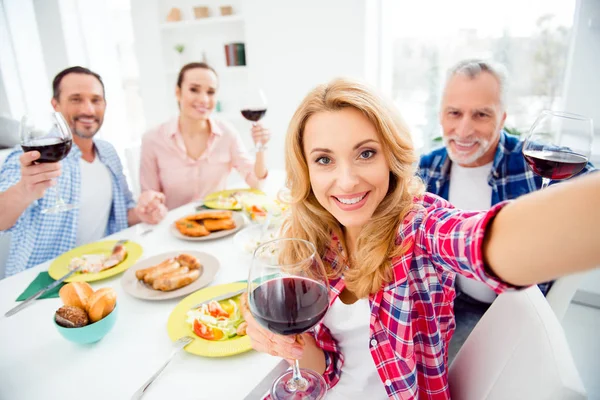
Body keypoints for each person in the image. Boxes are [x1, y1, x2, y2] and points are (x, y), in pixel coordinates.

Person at [239, 78, 600, 399]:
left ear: (390, 157)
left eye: (366, 153)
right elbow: (327, 368)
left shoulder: (419, 225)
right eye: (324, 160)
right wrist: (287, 344)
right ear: (304, 167)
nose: (346, 181)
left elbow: (480, 240)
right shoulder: (314, 237)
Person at [418, 59, 595, 357]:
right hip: (452, 305)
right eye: (455, 113)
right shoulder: (429, 167)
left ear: (502, 118)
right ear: (440, 116)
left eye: (481, 115)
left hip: (512, 311)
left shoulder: (530, 160)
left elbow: (592, 182)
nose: (463, 130)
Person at [0, 66, 167, 277]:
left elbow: (122, 214)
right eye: (76, 99)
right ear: (56, 105)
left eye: (96, 100)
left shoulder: (107, 151)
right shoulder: (30, 158)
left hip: (100, 270)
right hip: (41, 284)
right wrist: (25, 190)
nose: (88, 109)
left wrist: (142, 212)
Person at [140, 62, 271, 210]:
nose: (203, 99)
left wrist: (260, 147)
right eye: (194, 90)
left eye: (210, 92)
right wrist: (151, 204)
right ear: (178, 92)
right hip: (174, 227)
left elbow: (257, 183)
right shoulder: (153, 139)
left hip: (221, 222)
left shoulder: (226, 133)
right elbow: (149, 196)